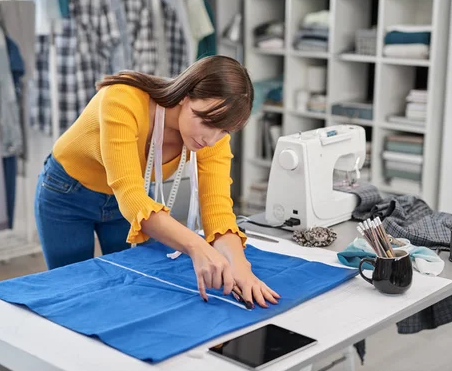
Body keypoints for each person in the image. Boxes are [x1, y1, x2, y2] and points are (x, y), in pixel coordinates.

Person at [34, 56, 280, 308]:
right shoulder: (121, 99)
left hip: (133, 200)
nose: (211, 140)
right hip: (67, 194)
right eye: (207, 122)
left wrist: (240, 266)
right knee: (73, 293)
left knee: (132, 289)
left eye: (225, 131)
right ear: (185, 95)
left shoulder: (213, 135)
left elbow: (217, 209)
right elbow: (131, 197)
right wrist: (197, 247)